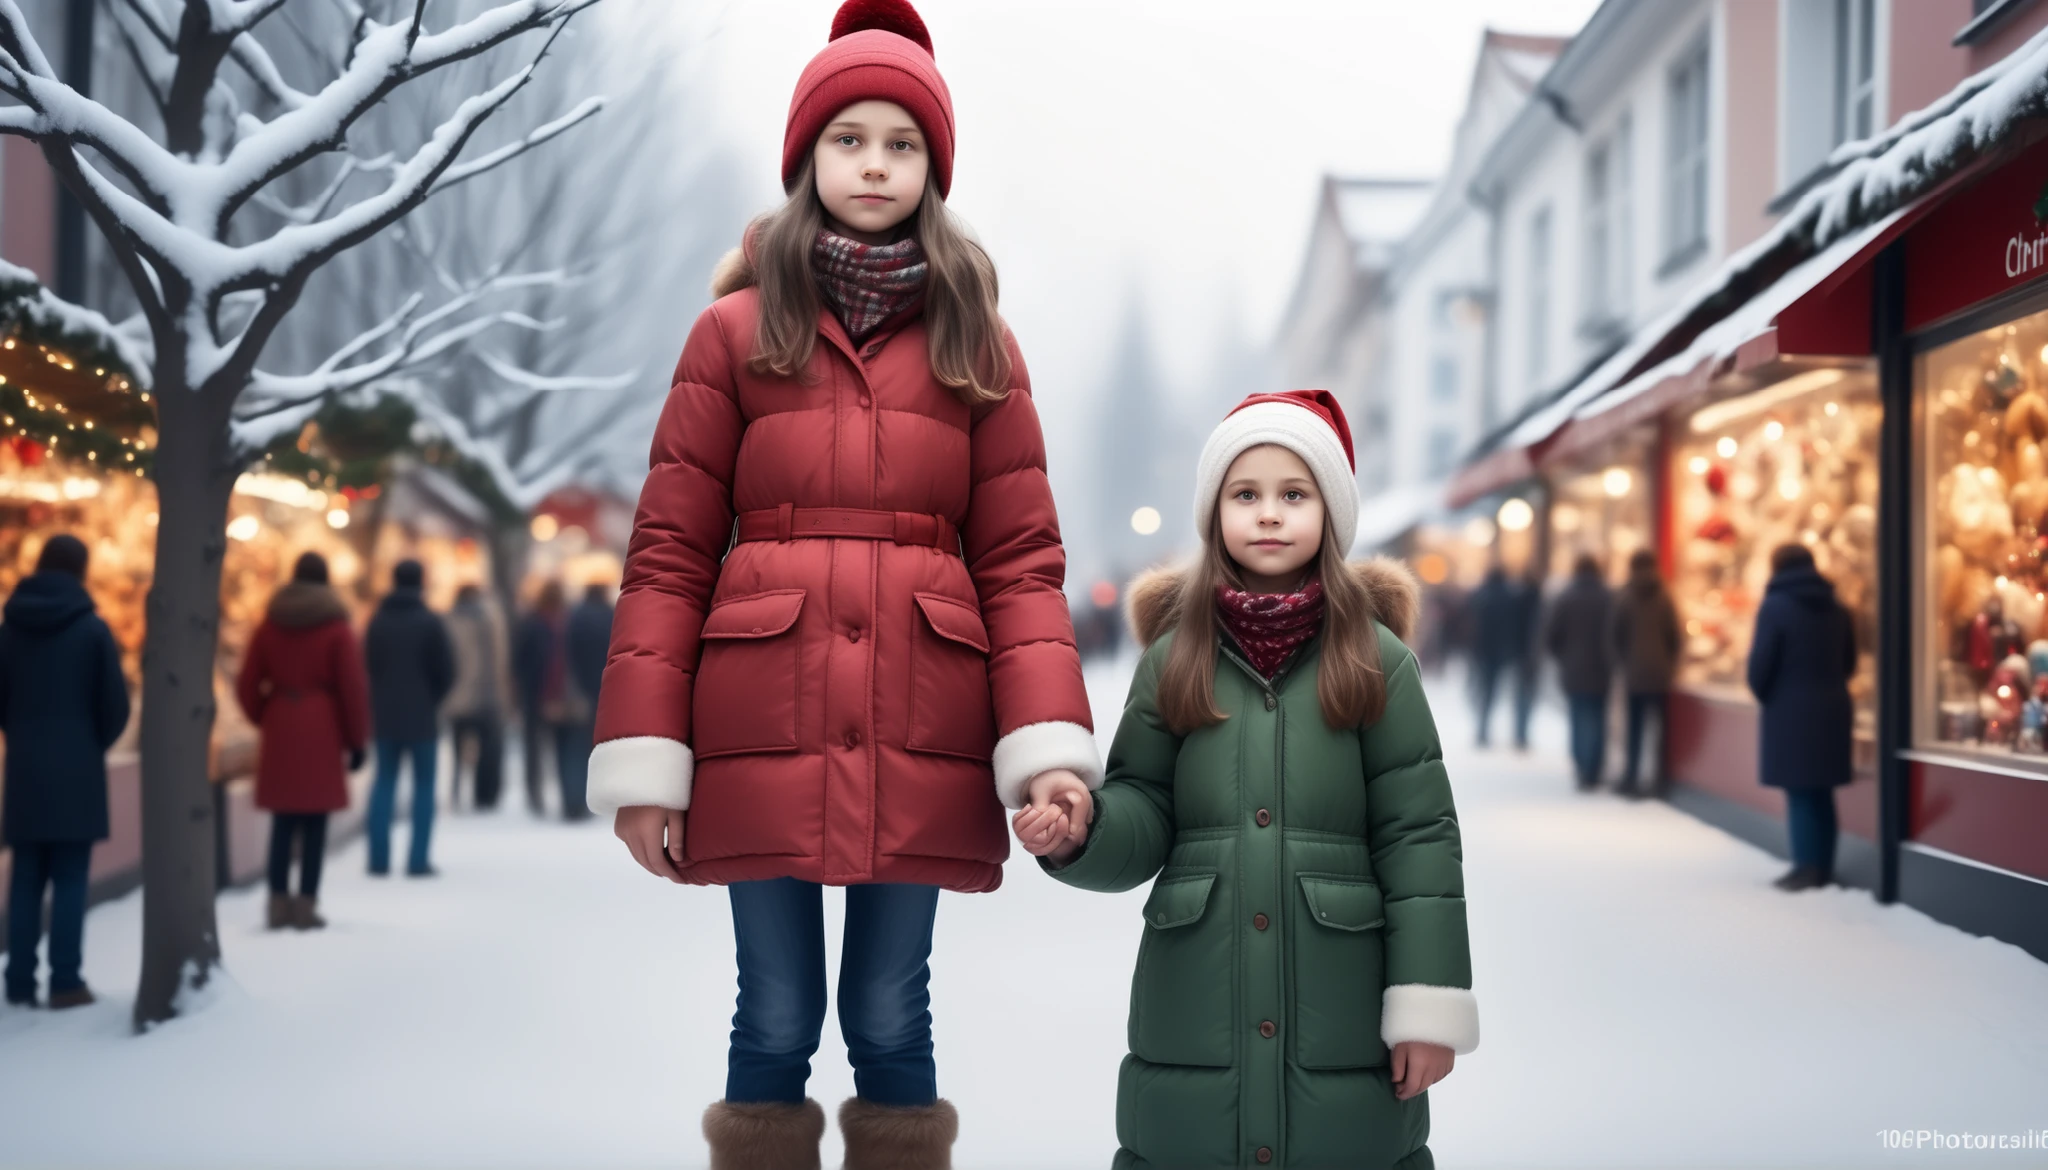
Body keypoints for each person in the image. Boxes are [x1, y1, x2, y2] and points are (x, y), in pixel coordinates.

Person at [587, 5, 1099, 1164]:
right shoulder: (728, 335)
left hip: (922, 715)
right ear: (807, 159)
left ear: (933, 168)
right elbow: (668, 554)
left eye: (901, 143)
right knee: (772, 1013)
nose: (875, 162)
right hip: (759, 714)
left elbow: (1019, 563)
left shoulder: (980, 342)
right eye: (849, 138)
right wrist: (643, 762)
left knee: (886, 1010)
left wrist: (1049, 746)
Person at [1027, 391, 1477, 1169]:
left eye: (1293, 494)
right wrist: (1085, 832)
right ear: (1215, 515)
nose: (1269, 514)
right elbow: (1147, 805)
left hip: (1341, 1006)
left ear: (1330, 514)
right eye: (1246, 494)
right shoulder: (1175, 659)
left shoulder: (1377, 662)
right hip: (1197, 1008)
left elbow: (1420, 841)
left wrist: (1428, 1006)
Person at [0, 535, 130, 1009]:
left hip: (25, 770)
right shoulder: (92, 630)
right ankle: (66, 981)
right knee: (72, 877)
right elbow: (115, 707)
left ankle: (17, 981)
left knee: (26, 876)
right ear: (81, 570)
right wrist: (90, 742)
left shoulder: (9, 628)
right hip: (78, 769)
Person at [236, 552, 369, 930]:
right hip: (322, 726)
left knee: (283, 821)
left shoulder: (270, 624)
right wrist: (356, 741)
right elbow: (353, 690)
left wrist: (267, 713)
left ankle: (277, 904)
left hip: (281, 721)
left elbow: (246, 685)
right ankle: (306, 905)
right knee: (314, 823)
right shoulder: (337, 628)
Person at [1748, 543, 1859, 891]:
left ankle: (1805, 868)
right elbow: (1850, 662)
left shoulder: (1775, 606)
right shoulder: (1838, 607)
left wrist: (1772, 695)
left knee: (1799, 791)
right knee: (1822, 790)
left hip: (1791, 708)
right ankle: (1822, 866)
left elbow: (1760, 667)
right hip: (1833, 706)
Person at [363, 559, 454, 876]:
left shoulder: (378, 621)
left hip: (385, 716)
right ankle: (417, 860)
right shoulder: (429, 621)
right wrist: (430, 699)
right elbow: (446, 671)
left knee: (384, 783)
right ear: (421, 582)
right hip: (422, 718)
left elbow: (369, 667)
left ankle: (378, 859)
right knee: (424, 787)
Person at [1609, 549, 1680, 798]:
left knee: (1635, 729)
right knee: (1659, 730)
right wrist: (1670, 665)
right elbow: (1675, 636)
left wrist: (1624, 663)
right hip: (1660, 673)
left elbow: (1615, 635)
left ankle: (1631, 778)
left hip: (1633, 673)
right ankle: (1660, 781)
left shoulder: (1625, 597)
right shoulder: (1665, 597)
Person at [1545, 554, 1615, 791]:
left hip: (1573, 669)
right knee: (1597, 717)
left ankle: (1581, 766)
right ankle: (1594, 769)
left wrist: (1564, 658)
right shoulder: (1608, 597)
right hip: (1601, 668)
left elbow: (1552, 636)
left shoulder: (1566, 598)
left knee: (1578, 717)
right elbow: (1617, 634)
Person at [444, 584, 510, 811]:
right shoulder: (491, 620)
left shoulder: (449, 621)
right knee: (488, 750)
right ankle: (484, 796)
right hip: (487, 696)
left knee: (457, 748)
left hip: (457, 695)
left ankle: (456, 791)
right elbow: (500, 658)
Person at [512, 580, 574, 817]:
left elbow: (519, 660)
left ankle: (537, 794)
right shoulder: (563, 622)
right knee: (553, 748)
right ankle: (545, 795)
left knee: (537, 749)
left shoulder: (532, 622)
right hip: (550, 694)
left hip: (537, 693)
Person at [559, 582, 613, 821]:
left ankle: (573, 803)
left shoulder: (575, 616)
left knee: (575, 749)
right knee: (601, 747)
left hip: (578, 690)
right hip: (606, 689)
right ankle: (598, 799)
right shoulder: (611, 615)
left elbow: (565, 653)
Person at [1469, 562, 1536, 748]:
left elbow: (1473, 625)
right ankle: (1519, 735)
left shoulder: (1481, 595)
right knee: (1516, 693)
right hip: (1508, 651)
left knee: (1487, 693)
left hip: (1485, 652)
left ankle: (1482, 731)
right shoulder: (1511, 597)